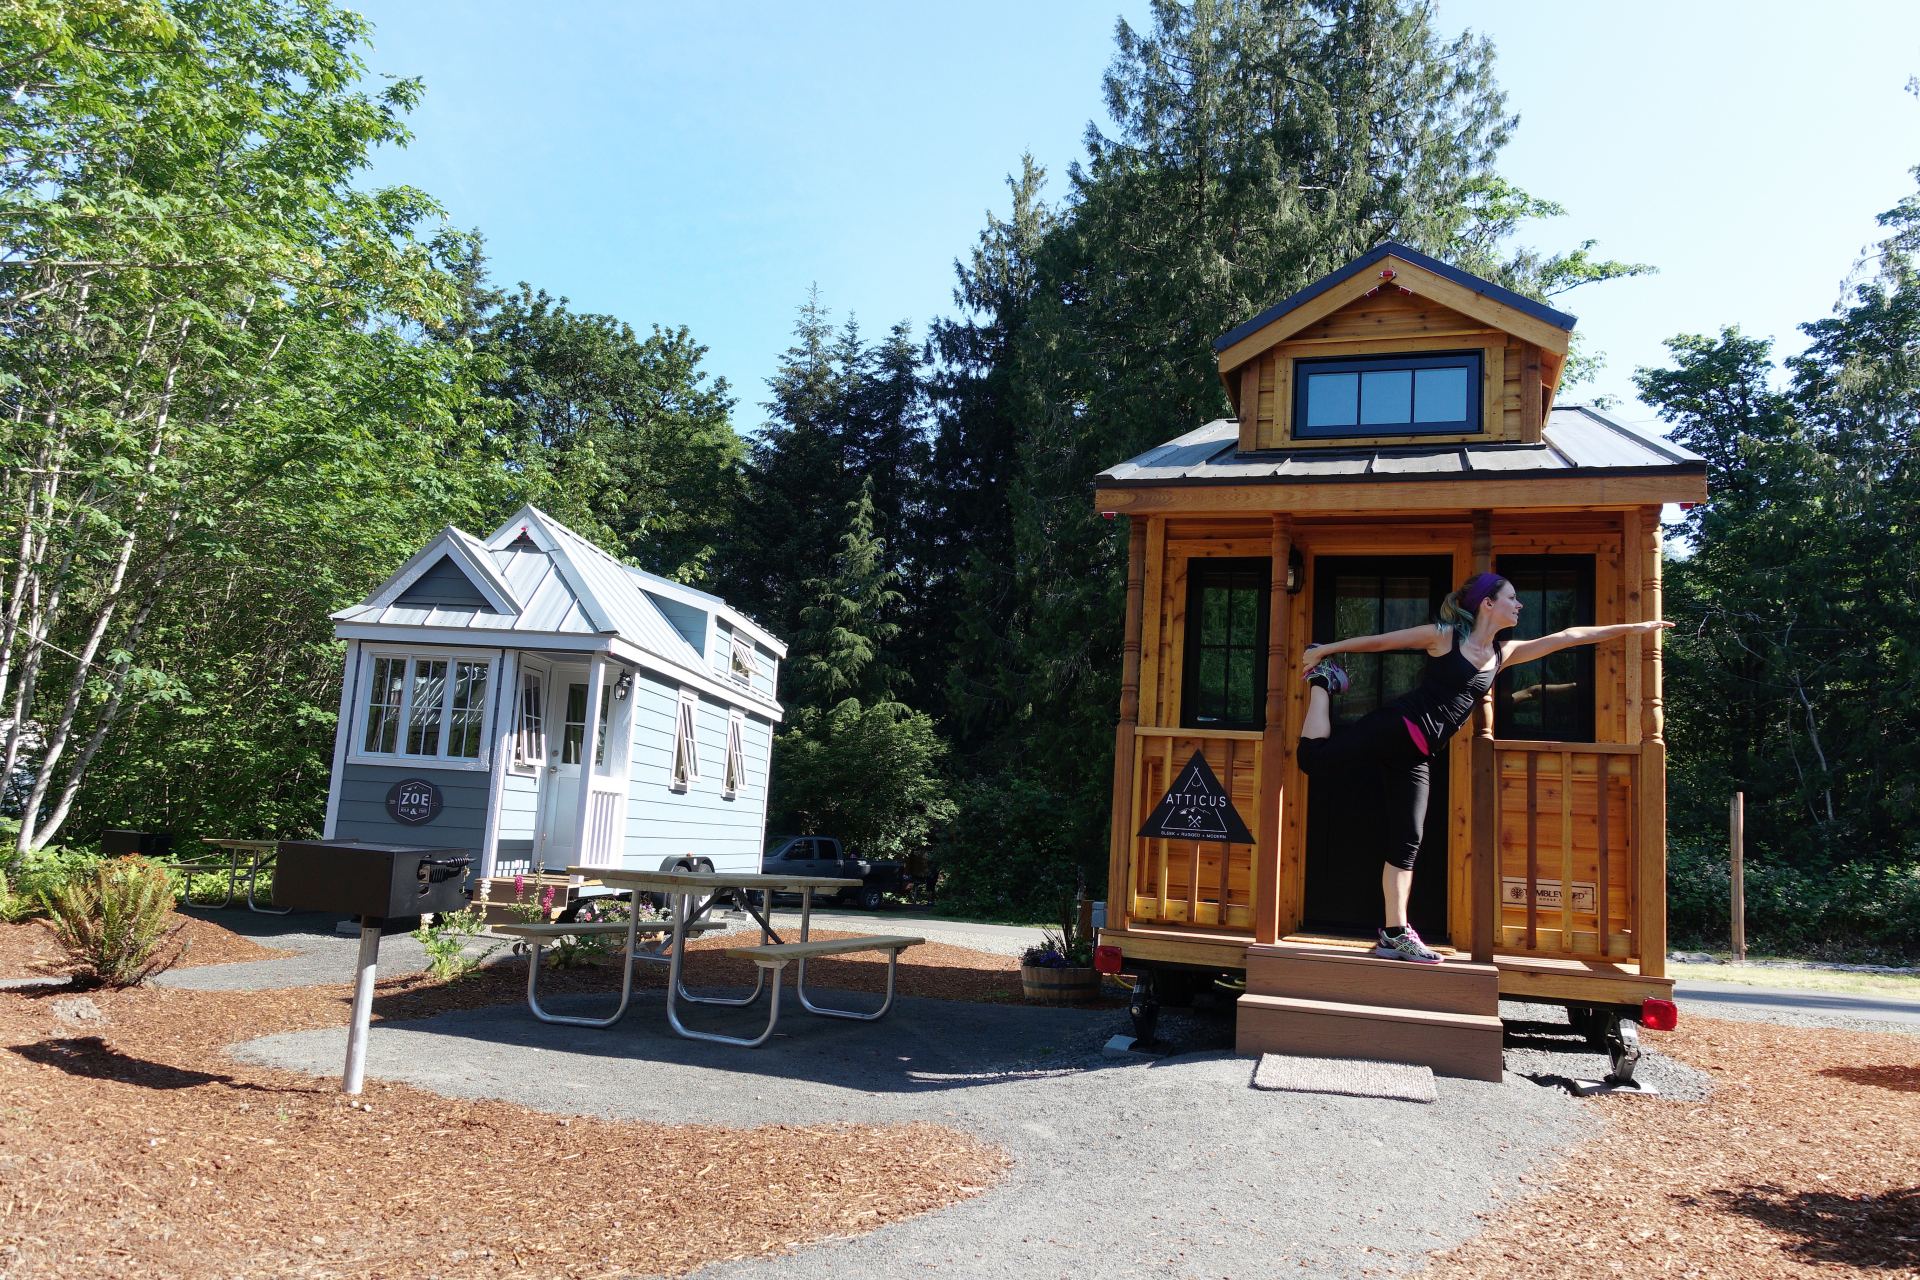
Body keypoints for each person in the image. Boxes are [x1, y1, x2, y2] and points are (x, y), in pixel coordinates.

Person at [1297, 572, 1672, 964]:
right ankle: (1322, 682)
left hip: (1418, 754)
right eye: (1512, 597)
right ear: (1487, 604)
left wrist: (1636, 627)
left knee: (1407, 840)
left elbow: (1568, 636)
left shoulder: (1502, 653)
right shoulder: (1443, 636)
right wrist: (1325, 651)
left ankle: (1395, 933)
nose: (1519, 604)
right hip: (1398, 727)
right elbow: (1380, 642)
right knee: (1313, 760)